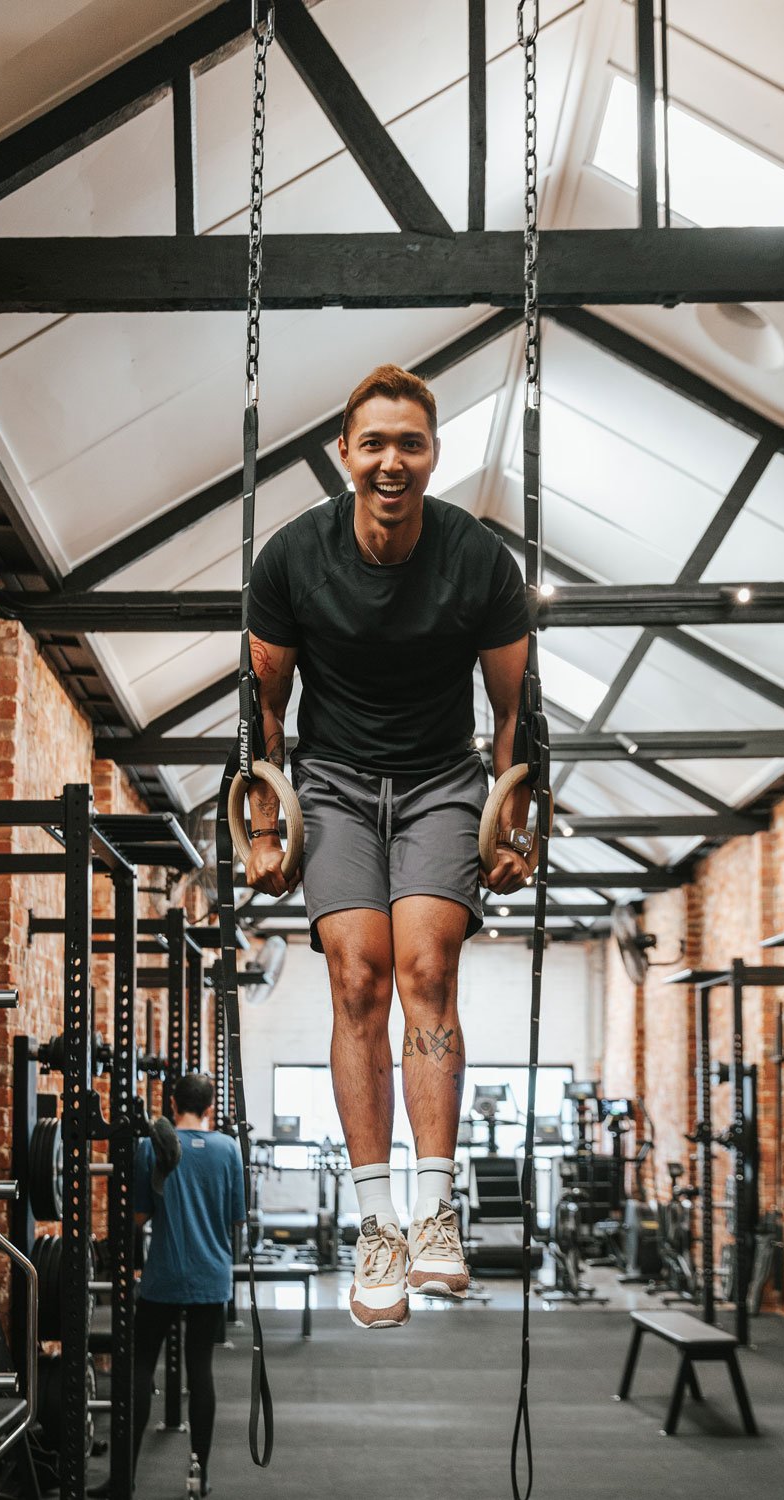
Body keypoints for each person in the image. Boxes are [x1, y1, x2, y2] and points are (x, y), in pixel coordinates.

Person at [244, 364, 533, 1330]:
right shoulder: (292, 559)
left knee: (425, 967)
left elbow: (513, 715)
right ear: (345, 454)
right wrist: (260, 825)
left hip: (441, 782)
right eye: (374, 443)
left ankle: (436, 1210)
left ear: (434, 454)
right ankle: (378, 1229)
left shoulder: (481, 562)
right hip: (330, 782)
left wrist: (514, 819)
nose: (391, 461)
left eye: (410, 443)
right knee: (358, 978)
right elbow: (263, 719)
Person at [91, 1073, 245, 1496]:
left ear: (173, 1103)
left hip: (163, 1275)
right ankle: (199, 1476)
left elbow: (138, 1218)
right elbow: (237, 1218)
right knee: (201, 1369)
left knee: (141, 1368)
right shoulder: (229, 1149)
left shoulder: (149, 1147)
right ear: (210, 1106)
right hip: (211, 1276)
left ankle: (124, 1479)